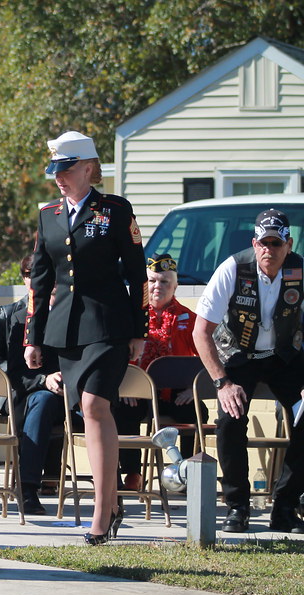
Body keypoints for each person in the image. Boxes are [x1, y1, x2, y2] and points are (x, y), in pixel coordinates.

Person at [24, 130, 148, 545]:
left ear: (89, 168)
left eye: (66, 169)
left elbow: (137, 274)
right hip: (67, 328)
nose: (58, 178)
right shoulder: (48, 214)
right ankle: (111, 504)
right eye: (55, 170)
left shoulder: (115, 210)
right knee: (88, 410)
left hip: (109, 324)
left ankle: (101, 510)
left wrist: (140, 329)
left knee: (95, 405)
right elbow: (40, 282)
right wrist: (33, 337)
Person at [192, 208, 304, 534]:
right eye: (263, 243)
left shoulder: (300, 271)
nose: (269, 250)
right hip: (239, 356)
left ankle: (285, 507)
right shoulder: (233, 268)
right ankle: (237, 506)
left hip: (285, 356)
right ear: (254, 244)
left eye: (276, 243)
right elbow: (201, 332)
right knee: (230, 420)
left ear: (289, 244)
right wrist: (222, 383)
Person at [113, 253, 203, 491]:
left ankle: (187, 473)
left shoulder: (189, 319)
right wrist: (125, 384)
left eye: (164, 282)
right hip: (137, 392)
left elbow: (206, 357)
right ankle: (132, 473)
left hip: (175, 393)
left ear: (175, 286)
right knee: (121, 410)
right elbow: (115, 355)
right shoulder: (130, 317)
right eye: (152, 281)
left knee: (197, 411)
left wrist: (192, 389)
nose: (157, 286)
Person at [0, 254, 64, 515]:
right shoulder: (9, 314)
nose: (37, 281)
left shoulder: (69, 313)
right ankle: (28, 488)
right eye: (30, 275)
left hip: (65, 391)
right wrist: (42, 380)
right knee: (42, 400)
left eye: (45, 276)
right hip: (19, 390)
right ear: (24, 278)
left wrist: (63, 378)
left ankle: (115, 489)